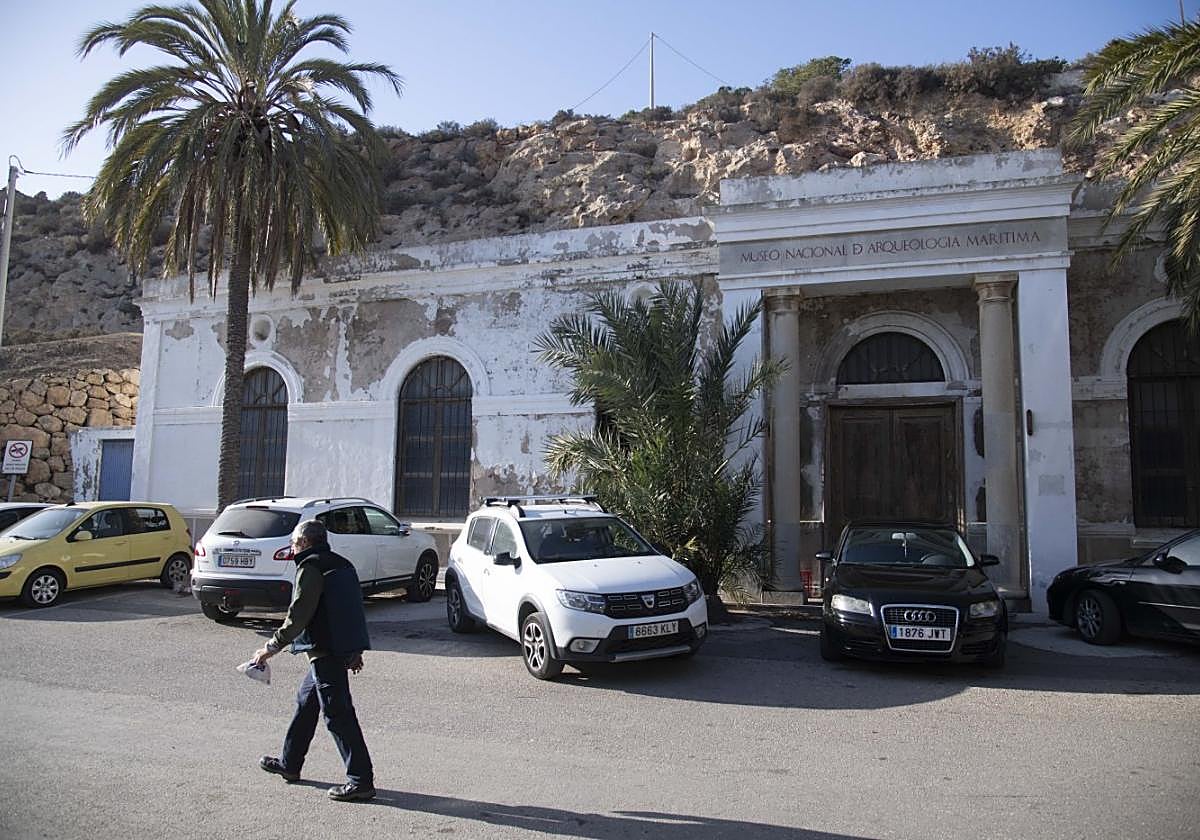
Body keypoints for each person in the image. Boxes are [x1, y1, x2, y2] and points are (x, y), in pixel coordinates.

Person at [250, 519, 375, 802]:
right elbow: (354, 610)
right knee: (306, 703)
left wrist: (270, 648)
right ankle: (290, 764)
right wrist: (356, 650)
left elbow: (299, 615)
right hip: (337, 648)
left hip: (325, 650)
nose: (293, 549)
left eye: (294, 543)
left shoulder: (311, 567)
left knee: (338, 714)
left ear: (305, 543)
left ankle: (360, 780)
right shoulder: (342, 563)